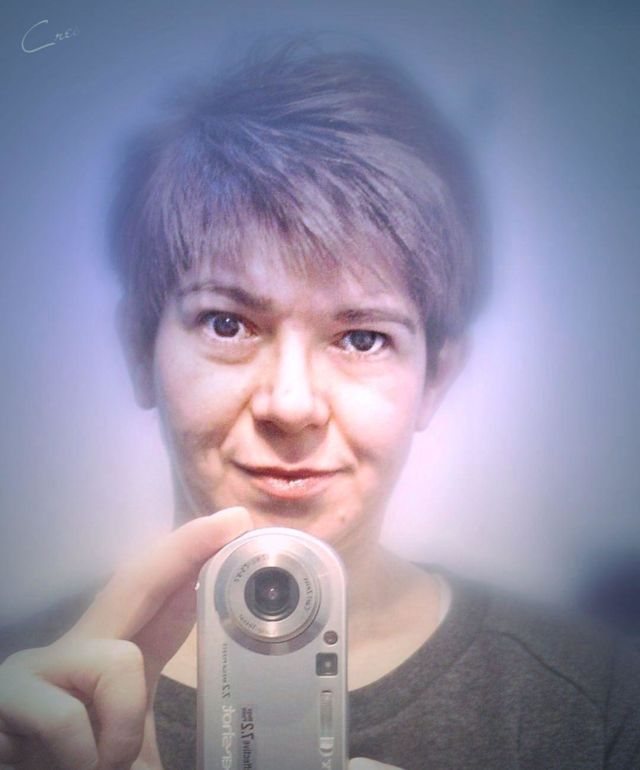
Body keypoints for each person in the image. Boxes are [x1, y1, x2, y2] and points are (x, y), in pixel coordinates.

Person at [0, 40, 638, 770]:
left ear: (435, 379)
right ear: (139, 351)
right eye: (227, 323)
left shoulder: (604, 708)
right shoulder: (18, 707)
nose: (292, 405)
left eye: (363, 338)